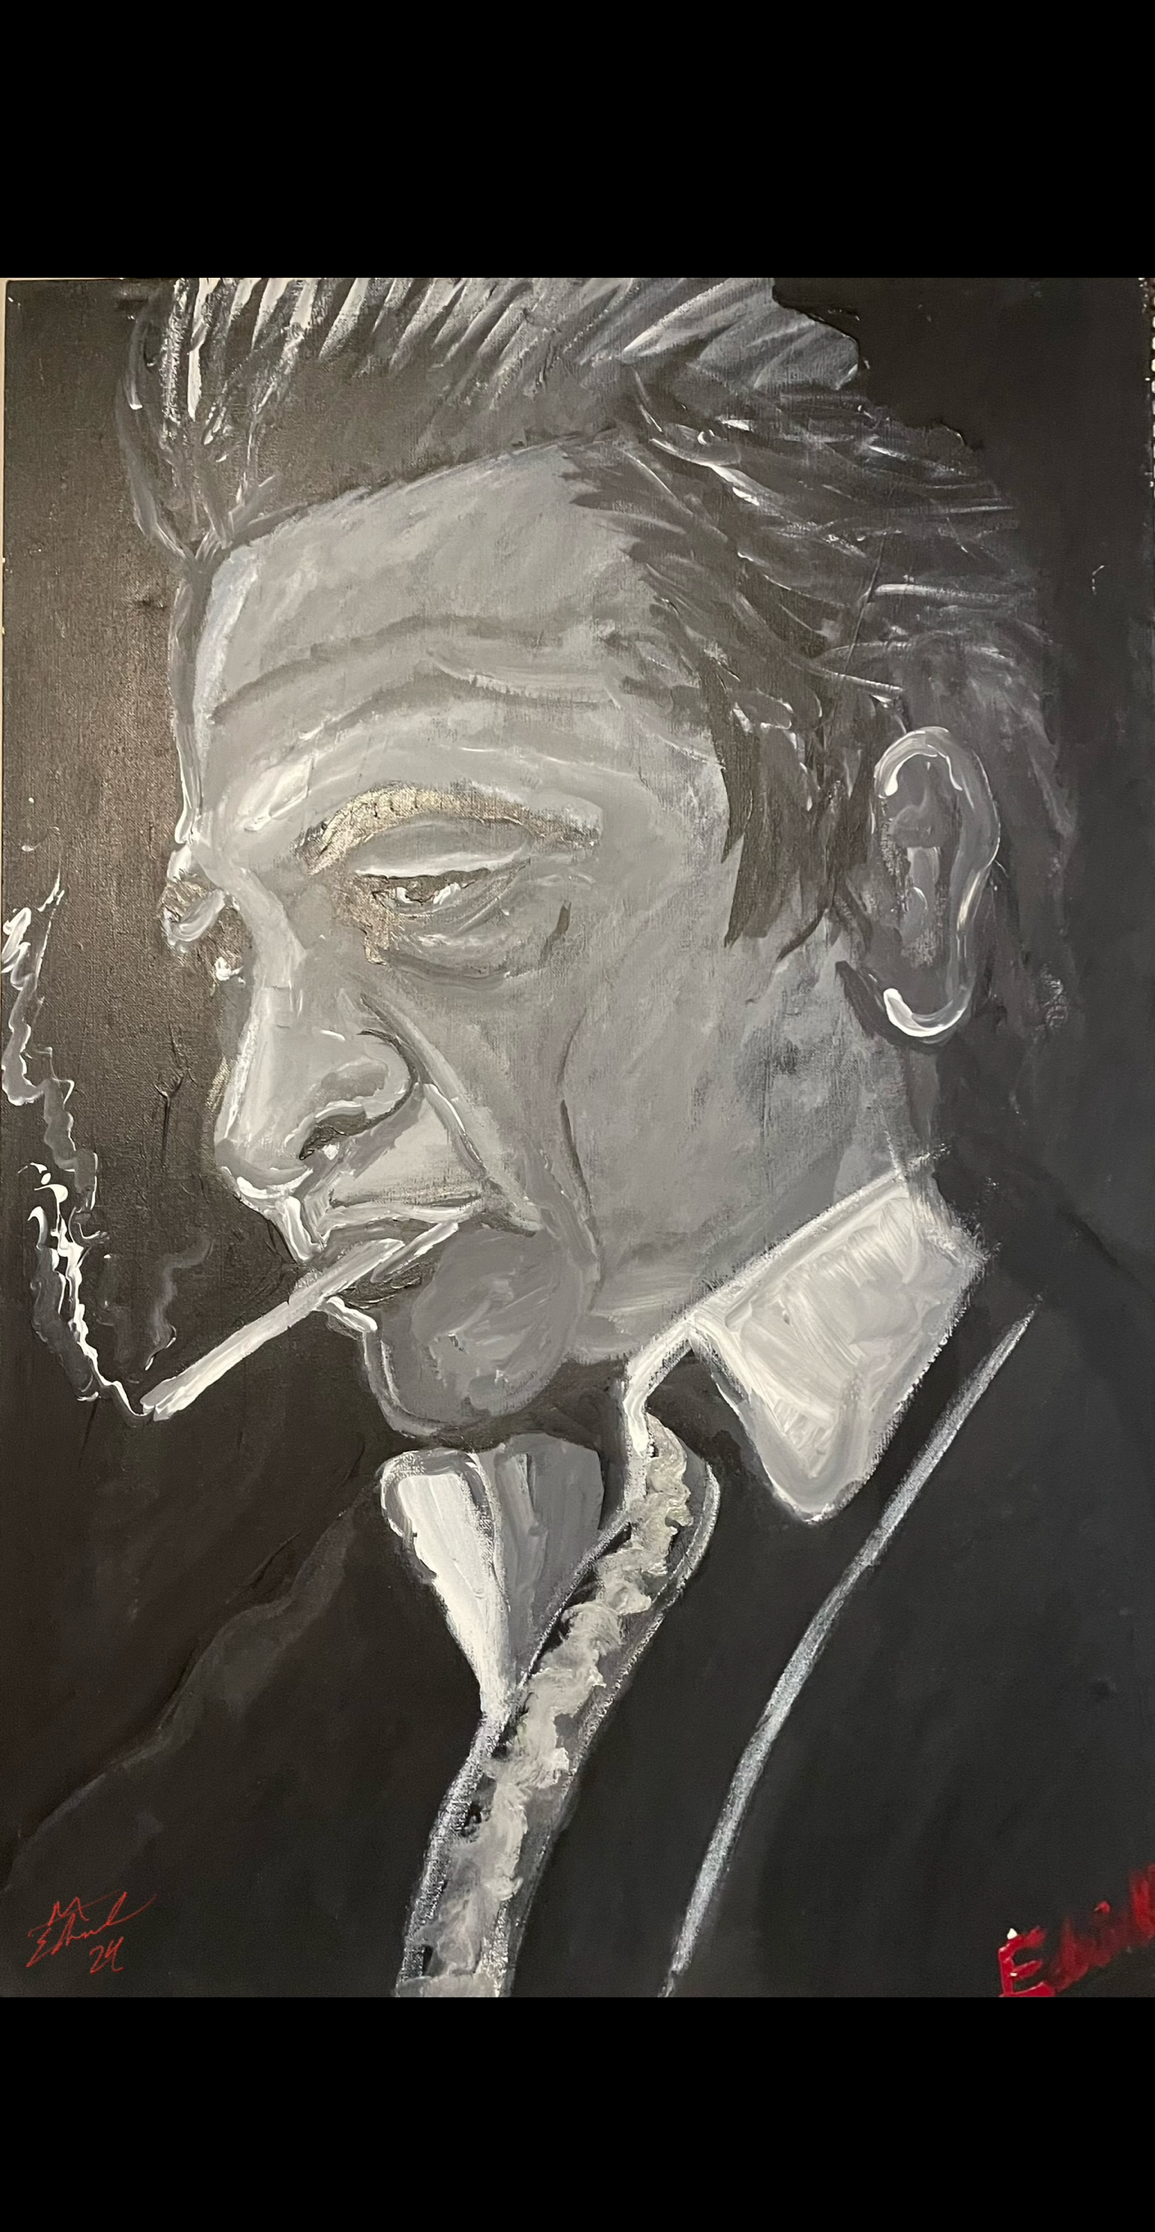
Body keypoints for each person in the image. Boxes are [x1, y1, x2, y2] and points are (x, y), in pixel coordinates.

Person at [4, 278, 1154, 1999]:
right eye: (234, 949)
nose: (260, 1125)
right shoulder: (272, 1716)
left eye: (432, 888)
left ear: (895, 881)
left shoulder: (1096, 1545)